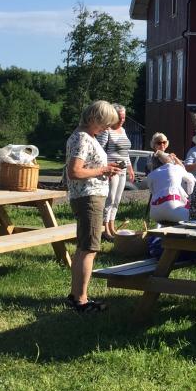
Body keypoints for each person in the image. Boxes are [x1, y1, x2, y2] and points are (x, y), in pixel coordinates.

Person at [64, 100, 123, 313]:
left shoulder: (85, 136)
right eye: (105, 124)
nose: (107, 128)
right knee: (89, 249)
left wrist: (105, 169)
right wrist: (102, 170)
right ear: (94, 119)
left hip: (87, 196)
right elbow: (74, 171)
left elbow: (85, 167)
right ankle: (81, 300)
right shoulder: (82, 138)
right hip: (89, 198)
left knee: (83, 248)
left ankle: (76, 296)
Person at [96, 103, 134, 240]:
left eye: (124, 117)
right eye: (120, 117)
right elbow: (99, 150)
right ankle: (105, 228)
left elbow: (125, 152)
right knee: (110, 198)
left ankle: (112, 226)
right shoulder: (106, 131)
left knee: (117, 199)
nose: (122, 120)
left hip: (122, 170)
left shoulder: (123, 130)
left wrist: (130, 168)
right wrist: (106, 168)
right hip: (111, 170)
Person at [146, 149, 195, 224]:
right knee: (194, 217)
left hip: (154, 212)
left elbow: (152, 191)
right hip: (174, 208)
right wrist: (189, 194)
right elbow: (191, 180)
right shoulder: (177, 168)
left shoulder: (151, 175)